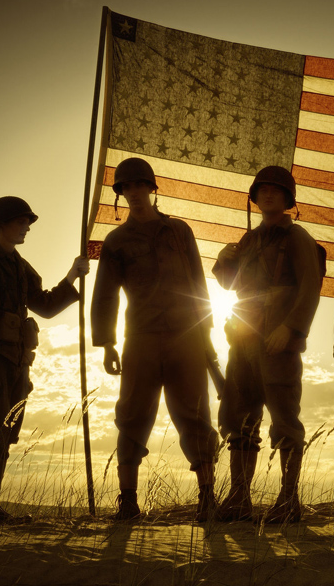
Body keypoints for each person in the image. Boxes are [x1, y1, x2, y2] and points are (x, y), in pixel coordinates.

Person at [91, 157, 219, 522]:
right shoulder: (116, 240)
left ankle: (207, 497)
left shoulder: (180, 232)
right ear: (121, 194)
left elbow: (198, 285)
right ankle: (128, 501)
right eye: (126, 188)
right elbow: (106, 295)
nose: (133, 193)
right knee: (132, 416)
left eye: (139, 186)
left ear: (151, 188)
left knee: (195, 415)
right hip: (141, 339)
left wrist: (206, 335)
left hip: (186, 337)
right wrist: (107, 342)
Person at [0, 196, 88, 529]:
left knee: (7, 429)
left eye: (28, 222)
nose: (26, 226)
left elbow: (43, 305)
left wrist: (72, 275)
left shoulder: (19, 265)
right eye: (20, 221)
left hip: (17, 359)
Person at [211, 166, 322, 523]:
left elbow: (310, 286)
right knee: (239, 418)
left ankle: (289, 501)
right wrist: (222, 263)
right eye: (263, 190)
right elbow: (231, 286)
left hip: (277, 341)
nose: (269, 195)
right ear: (255, 197)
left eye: (277, 190)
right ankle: (239, 498)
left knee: (285, 421)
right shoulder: (249, 241)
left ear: (288, 198)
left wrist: (290, 328)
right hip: (243, 340)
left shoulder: (297, 238)